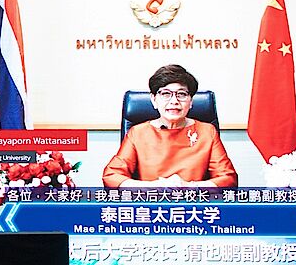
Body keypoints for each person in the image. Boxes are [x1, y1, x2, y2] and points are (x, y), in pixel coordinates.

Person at [102, 64, 239, 188]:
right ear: (154, 100)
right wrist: (154, 186)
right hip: (150, 205)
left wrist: (189, 187)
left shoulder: (207, 132)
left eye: (181, 94)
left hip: (193, 207)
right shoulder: (138, 133)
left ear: (191, 101)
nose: (174, 101)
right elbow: (112, 177)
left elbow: (228, 179)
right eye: (166, 94)